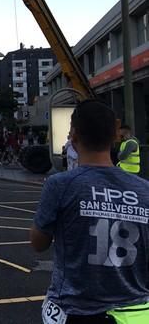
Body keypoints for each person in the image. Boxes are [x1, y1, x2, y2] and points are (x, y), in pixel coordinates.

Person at [31, 100, 149, 323]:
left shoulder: (60, 184)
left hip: (78, 310)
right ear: (116, 133)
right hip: (136, 313)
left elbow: (38, 243)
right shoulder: (145, 190)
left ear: (73, 136)